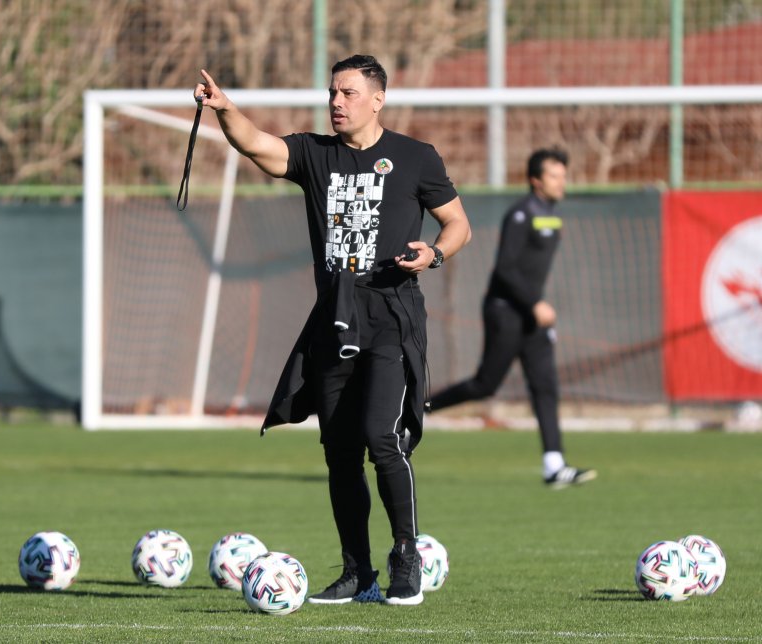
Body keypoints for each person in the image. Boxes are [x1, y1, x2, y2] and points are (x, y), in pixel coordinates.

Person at [196, 54, 471, 606]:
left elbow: (458, 223)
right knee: (339, 452)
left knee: (381, 438)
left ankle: (405, 556)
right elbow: (256, 144)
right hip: (335, 320)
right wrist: (226, 110)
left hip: (392, 317)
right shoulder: (314, 153)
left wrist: (435, 254)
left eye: (347, 93)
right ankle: (356, 571)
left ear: (378, 98)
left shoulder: (417, 158)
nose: (336, 103)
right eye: (331, 94)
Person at [427, 148, 596, 489]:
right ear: (535, 181)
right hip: (506, 311)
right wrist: (535, 302)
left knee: (545, 386)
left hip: (532, 317)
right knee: (485, 384)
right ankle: (417, 408)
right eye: (554, 176)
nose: (562, 182)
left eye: (564, 175)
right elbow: (504, 269)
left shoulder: (551, 213)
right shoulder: (522, 214)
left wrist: (535, 306)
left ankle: (555, 465)